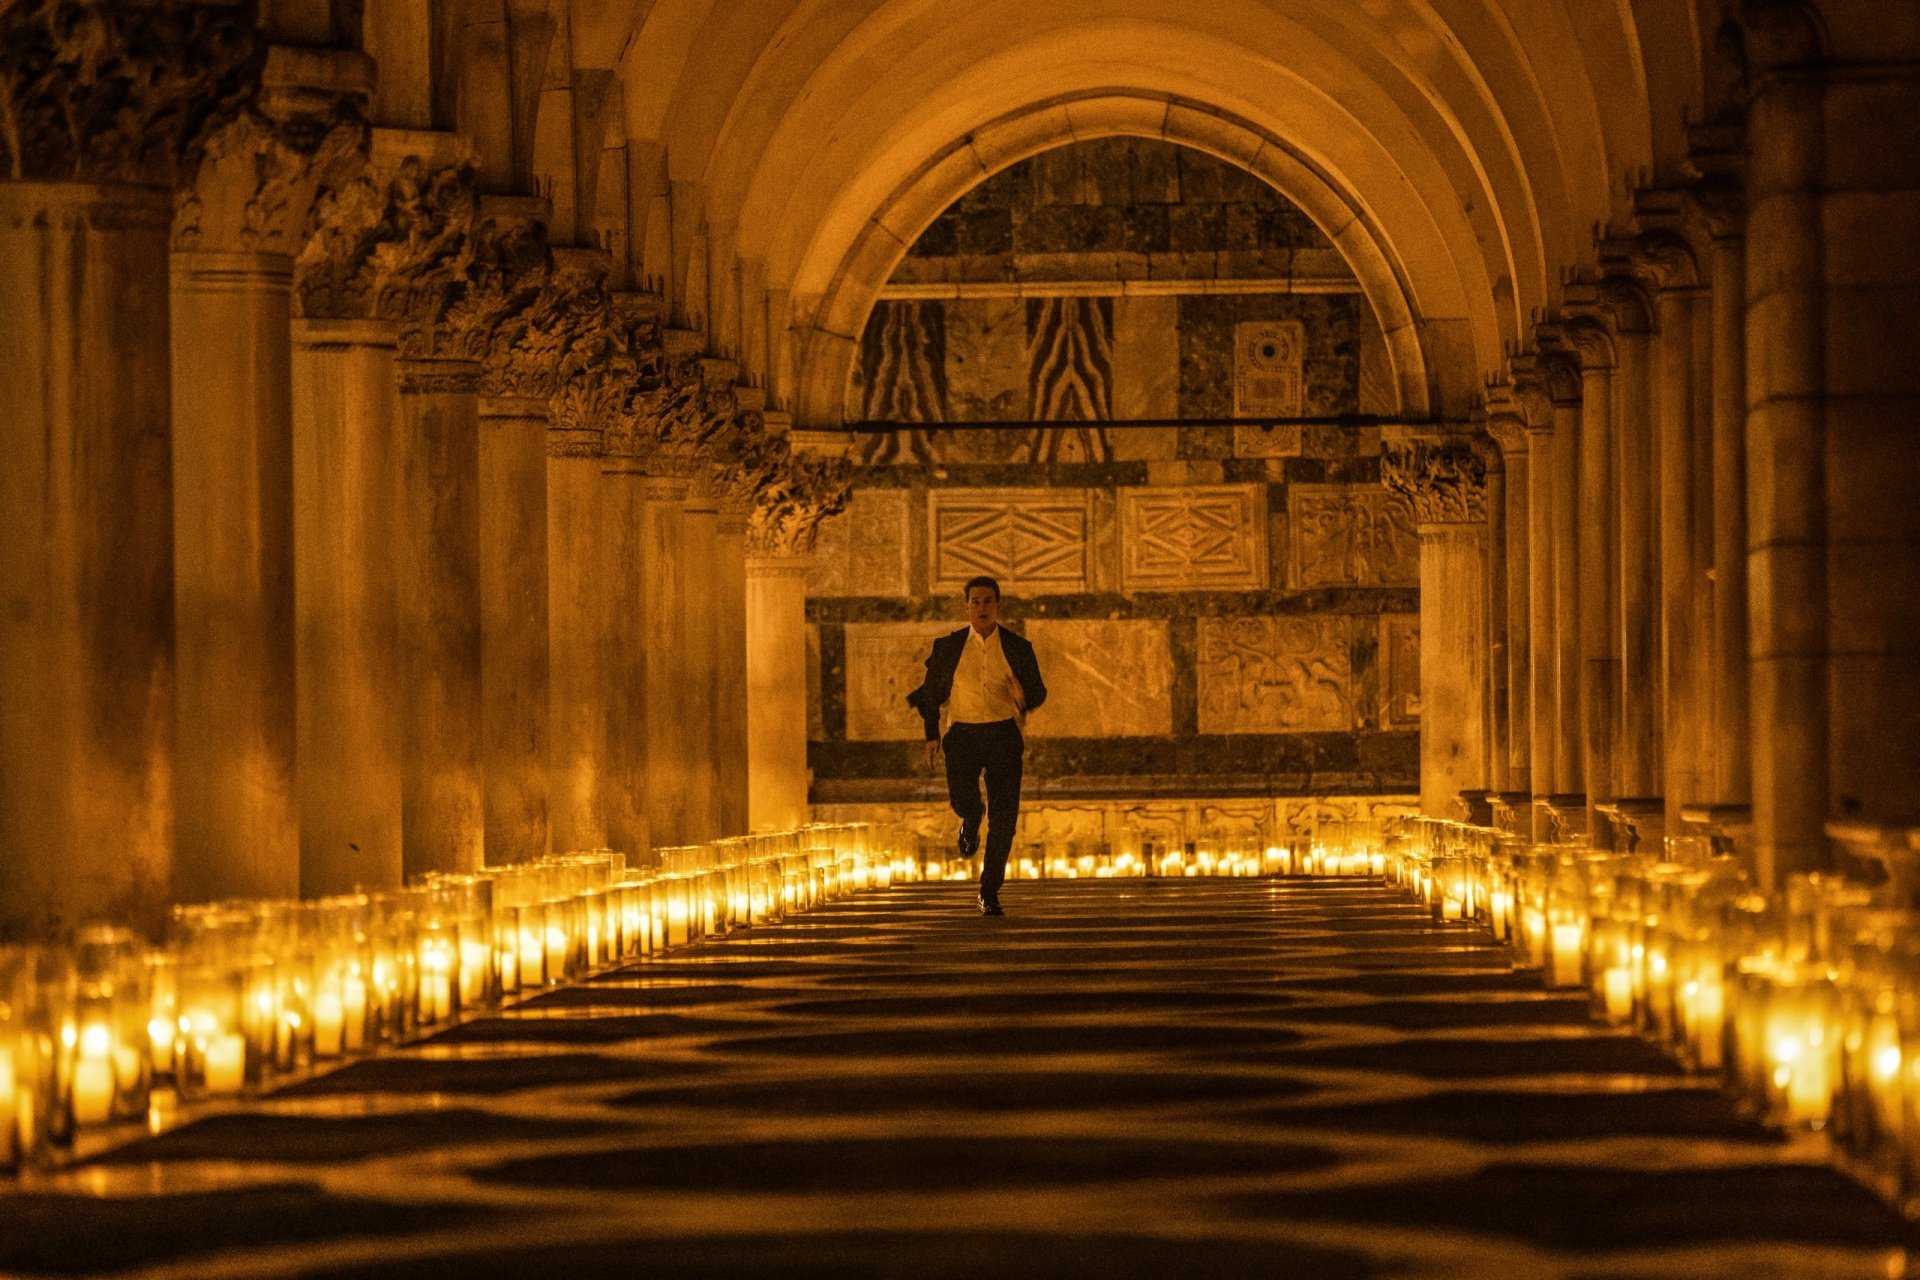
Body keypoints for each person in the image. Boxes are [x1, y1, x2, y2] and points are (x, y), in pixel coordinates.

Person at [905, 576, 1047, 915]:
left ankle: (989, 890)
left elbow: (1039, 691)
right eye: (975, 601)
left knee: (1005, 819)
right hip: (964, 735)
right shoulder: (949, 647)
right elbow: (930, 693)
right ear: (967, 605)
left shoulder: (1017, 647)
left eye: (988, 601)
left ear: (997, 605)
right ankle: (970, 817)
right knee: (963, 799)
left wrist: (1022, 697)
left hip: (1002, 735)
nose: (981, 607)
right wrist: (931, 734)